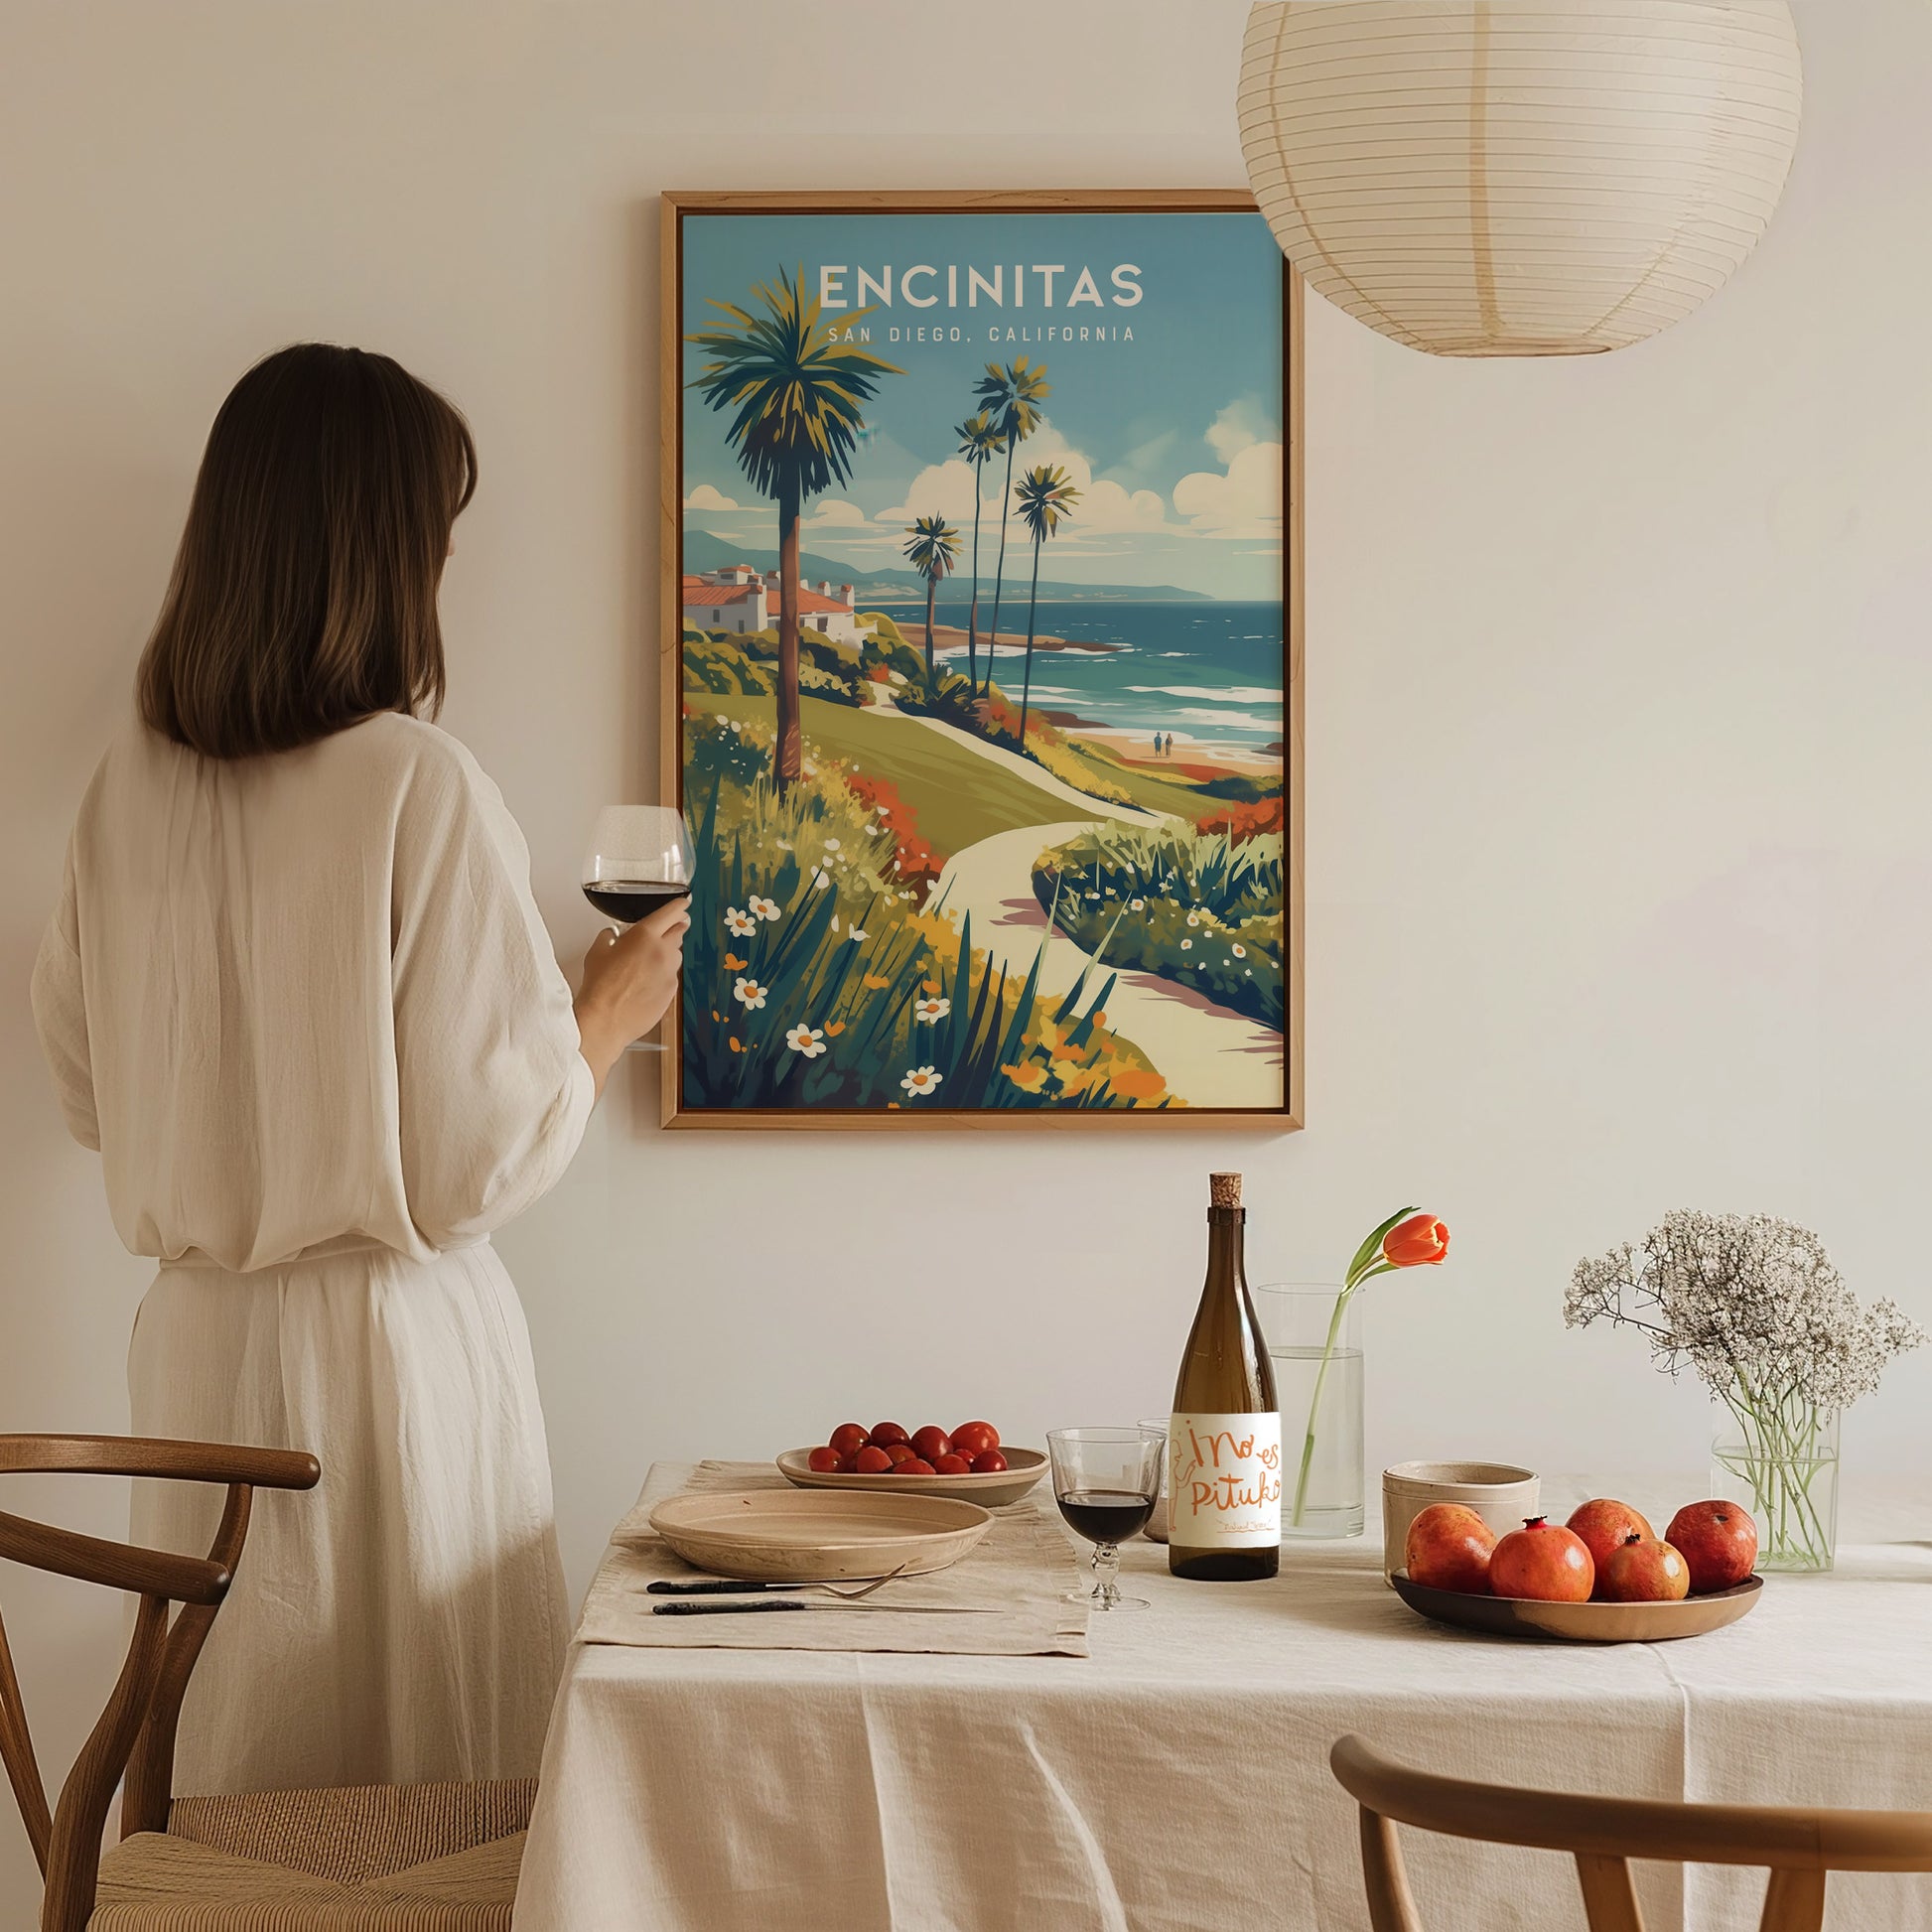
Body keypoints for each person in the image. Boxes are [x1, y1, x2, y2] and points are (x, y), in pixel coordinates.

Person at [30, 344, 687, 1794]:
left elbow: (87, 1091)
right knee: (426, 1796)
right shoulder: (416, 780)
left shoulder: (123, 791)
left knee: (236, 1775)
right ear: (384, 550)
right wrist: (601, 1016)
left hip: (194, 1354)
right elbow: (471, 1166)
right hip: (388, 1360)